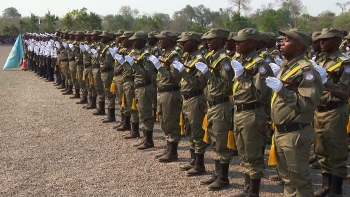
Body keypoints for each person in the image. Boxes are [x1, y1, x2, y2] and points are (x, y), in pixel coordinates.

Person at [268, 28, 323, 197]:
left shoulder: (306, 70)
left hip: (295, 134)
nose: (281, 43)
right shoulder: (287, 66)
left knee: (300, 182)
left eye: (286, 40)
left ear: (300, 45)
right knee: (287, 179)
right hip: (282, 132)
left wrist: (282, 91)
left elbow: (308, 103)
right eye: (282, 40)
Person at [230, 28, 273, 196]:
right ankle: (247, 188)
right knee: (244, 153)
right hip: (240, 113)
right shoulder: (243, 61)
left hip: (252, 114)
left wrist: (242, 77)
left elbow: (261, 95)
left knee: (253, 154)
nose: (237, 44)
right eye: (237, 41)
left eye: (241, 41)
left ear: (253, 43)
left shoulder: (260, 65)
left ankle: (253, 192)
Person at [194, 28, 234, 191]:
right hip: (212, 105)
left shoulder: (224, 61)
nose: (207, 42)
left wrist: (208, 74)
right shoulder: (212, 57)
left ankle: (223, 177)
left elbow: (226, 87)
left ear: (220, 40)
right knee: (215, 141)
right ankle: (218, 174)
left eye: (211, 39)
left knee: (221, 142)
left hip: (221, 105)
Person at [313, 28, 350, 197]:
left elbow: (346, 91)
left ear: (337, 41)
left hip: (335, 111)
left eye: (326, 40)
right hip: (319, 111)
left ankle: (336, 190)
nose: (321, 42)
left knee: (337, 151)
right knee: (322, 151)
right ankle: (326, 186)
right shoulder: (321, 59)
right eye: (320, 39)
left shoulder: (344, 62)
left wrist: (327, 82)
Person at [174, 32, 208, 176]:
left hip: (195, 98)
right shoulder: (188, 57)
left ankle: (200, 165)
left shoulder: (200, 60)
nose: (182, 44)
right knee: (189, 130)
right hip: (187, 99)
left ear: (194, 43)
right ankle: (193, 160)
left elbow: (199, 84)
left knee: (197, 131)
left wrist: (183, 73)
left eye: (185, 42)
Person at [148, 30, 183, 163]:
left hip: (170, 92)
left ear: (169, 40)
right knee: (164, 120)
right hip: (163, 92)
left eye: (162, 39)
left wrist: (159, 67)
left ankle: (173, 152)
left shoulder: (174, 56)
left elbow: (174, 78)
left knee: (171, 121)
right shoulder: (166, 54)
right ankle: (169, 149)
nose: (159, 41)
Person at [118, 31, 157, 148]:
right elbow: (132, 72)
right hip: (139, 86)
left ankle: (149, 141)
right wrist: (124, 63)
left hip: (145, 87)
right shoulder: (137, 53)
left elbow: (147, 73)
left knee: (146, 115)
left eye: (136, 40)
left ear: (142, 41)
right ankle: (145, 138)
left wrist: (134, 65)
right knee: (141, 113)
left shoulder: (147, 55)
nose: (133, 42)